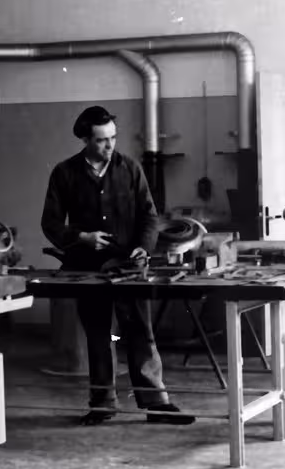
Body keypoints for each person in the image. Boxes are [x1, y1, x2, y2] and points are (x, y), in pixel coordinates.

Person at [40, 105, 194, 427]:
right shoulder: (65, 173)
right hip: (87, 267)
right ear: (85, 139)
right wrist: (81, 238)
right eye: (101, 140)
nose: (109, 145)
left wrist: (143, 247)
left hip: (128, 266)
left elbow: (149, 216)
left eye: (113, 137)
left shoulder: (130, 168)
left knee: (140, 331)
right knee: (99, 336)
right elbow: (50, 223)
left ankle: (156, 403)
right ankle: (102, 404)